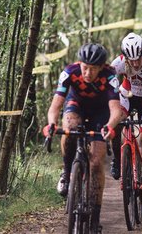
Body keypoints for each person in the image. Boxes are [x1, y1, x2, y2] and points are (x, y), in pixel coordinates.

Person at [45, 43, 123, 233]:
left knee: (97, 162)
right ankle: (66, 172)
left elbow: (116, 110)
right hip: (76, 104)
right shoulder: (70, 72)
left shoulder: (110, 75)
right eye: (85, 67)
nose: (88, 73)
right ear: (80, 63)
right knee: (69, 127)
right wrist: (52, 124)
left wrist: (109, 127)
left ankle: (95, 217)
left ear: (101, 67)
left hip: (101, 111)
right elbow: (56, 105)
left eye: (93, 69)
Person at [109, 32, 142, 216]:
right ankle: (117, 159)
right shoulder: (118, 63)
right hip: (127, 95)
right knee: (116, 122)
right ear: (125, 56)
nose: (135, 63)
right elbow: (106, 83)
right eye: (131, 60)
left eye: (138, 59)